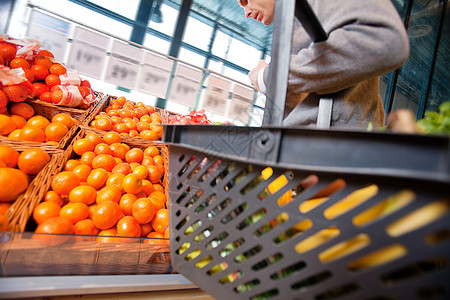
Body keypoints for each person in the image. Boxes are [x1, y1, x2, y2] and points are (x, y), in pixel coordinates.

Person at [237, 0, 410, 129]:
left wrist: (268, 76)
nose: (246, 12)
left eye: (245, 0)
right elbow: (316, 86)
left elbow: (386, 40)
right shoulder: (295, 20)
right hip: (311, 148)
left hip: (332, 149)